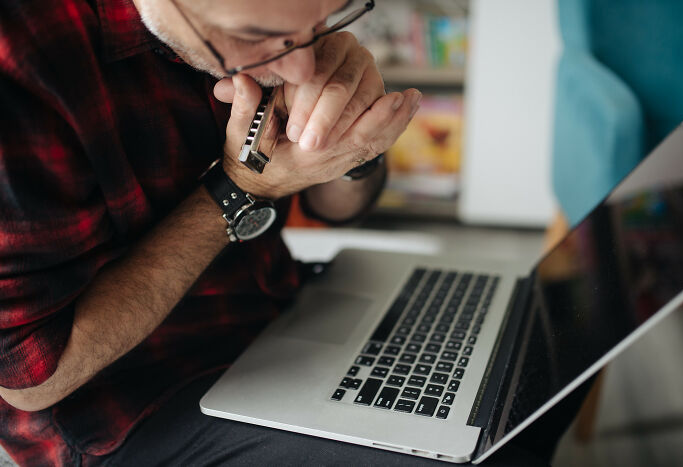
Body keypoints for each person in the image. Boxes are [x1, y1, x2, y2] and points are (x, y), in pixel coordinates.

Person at [0, 0, 587, 465]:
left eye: (323, 18)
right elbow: (33, 379)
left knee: (553, 344)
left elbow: (338, 208)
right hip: (126, 408)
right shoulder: (22, 59)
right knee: (479, 450)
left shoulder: (277, 31)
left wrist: (349, 147)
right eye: (259, 35)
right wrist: (239, 190)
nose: (300, 65)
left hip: (273, 305)